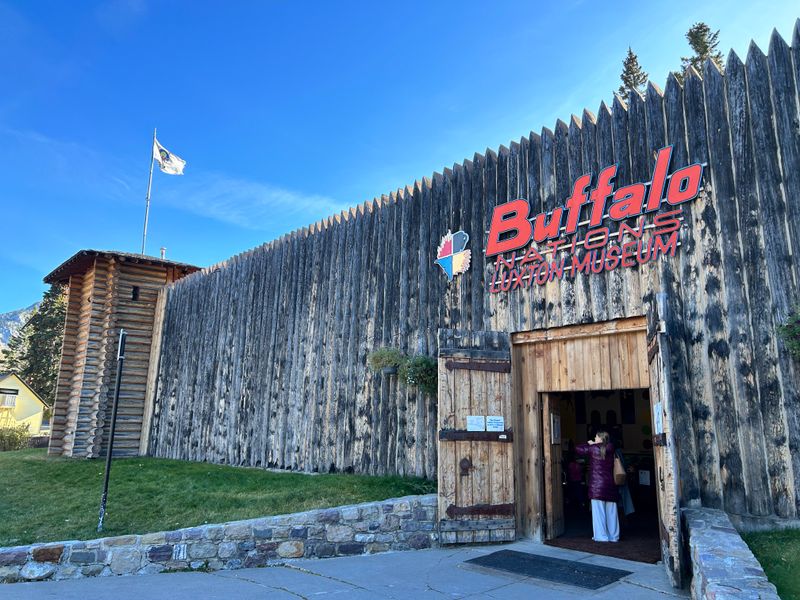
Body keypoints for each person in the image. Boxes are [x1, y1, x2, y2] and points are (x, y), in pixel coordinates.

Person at [575, 431, 619, 543]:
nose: (594, 438)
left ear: (599, 438)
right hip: (610, 485)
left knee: (598, 513)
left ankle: (601, 536)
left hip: (597, 486)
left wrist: (591, 444)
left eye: (595, 437)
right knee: (612, 512)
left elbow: (578, 448)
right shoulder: (611, 448)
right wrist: (595, 444)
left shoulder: (593, 449)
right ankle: (614, 536)